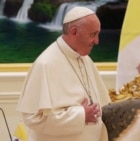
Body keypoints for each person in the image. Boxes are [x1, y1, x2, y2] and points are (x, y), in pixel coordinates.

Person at [16, 6, 111, 141]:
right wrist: (81, 115)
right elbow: (32, 118)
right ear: (74, 32)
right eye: (93, 34)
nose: (97, 41)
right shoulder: (45, 64)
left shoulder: (85, 59)